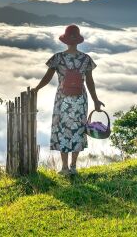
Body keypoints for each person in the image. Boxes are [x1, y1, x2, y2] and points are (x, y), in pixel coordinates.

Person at [32, 24, 104, 176]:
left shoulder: (58, 58)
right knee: (78, 130)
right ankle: (73, 167)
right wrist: (96, 101)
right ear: (78, 41)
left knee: (62, 131)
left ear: (65, 41)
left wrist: (37, 89)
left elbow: (47, 77)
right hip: (80, 100)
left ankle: (64, 167)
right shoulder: (86, 59)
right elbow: (90, 82)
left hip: (62, 100)